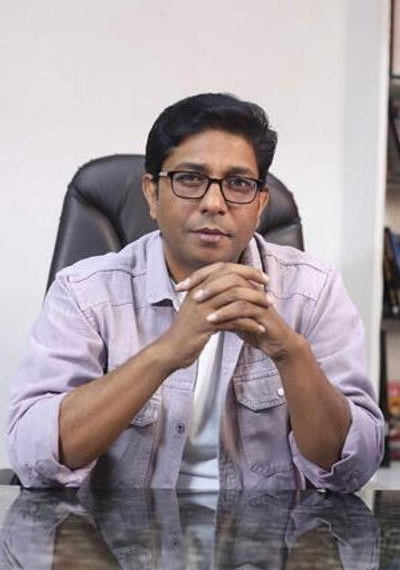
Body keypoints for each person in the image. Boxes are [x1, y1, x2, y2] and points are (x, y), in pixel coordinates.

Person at [7, 93, 383, 490]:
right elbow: (34, 458)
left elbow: (353, 468)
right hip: (117, 529)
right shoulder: (85, 292)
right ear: (152, 193)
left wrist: (290, 352)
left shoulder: (313, 290)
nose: (214, 203)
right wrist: (165, 353)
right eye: (190, 179)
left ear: (260, 205)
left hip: (266, 529)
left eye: (238, 183)